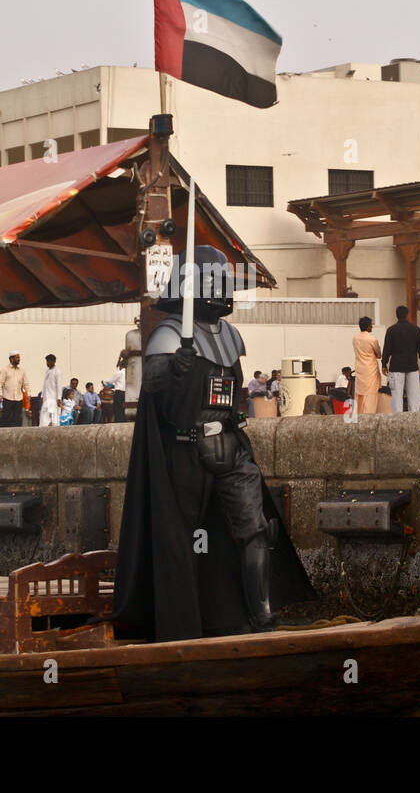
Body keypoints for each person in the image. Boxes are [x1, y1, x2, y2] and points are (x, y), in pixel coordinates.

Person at [112, 245, 314, 642]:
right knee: (183, 536)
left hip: (229, 444)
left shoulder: (230, 336)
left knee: (255, 528)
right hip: (186, 450)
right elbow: (151, 385)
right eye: (214, 282)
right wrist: (173, 368)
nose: (223, 291)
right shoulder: (169, 334)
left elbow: (233, 389)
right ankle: (184, 621)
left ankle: (260, 614)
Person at [382, 305, 420, 412]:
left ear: (396, 315)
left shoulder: (391, 330)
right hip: (412, 366)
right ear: (407, 315)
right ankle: (414, 421)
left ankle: (397, 422)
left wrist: (384, 364)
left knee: (396, 397)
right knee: (414, 396)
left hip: (396, 367)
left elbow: (387, 349)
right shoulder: (415, 329)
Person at [352, 316, 383, 414]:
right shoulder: (372, 339)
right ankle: (369, 414)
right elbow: (378, 354)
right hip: (370, 369)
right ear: (368, 326)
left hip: (360, 369)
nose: (372, 327)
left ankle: (359, 414)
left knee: (359, 394)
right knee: (371, 394)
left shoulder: (355, 338)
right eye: (371, 325)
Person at [0, 351, 29, 428]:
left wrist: (28, 393)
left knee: (17, 419)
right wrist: (0, 395)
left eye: (19, 357)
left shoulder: (22, 371)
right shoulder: (5, 370)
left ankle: (16, 437)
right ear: (11, 359)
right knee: (5, 418)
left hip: (18, 398)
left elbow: (26, 383)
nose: (19, 359)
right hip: (7, 397)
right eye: (17, 357)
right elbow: (0, 383)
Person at [39, 354, 62, 427]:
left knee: (55, 420)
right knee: (44, 421)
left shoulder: (57, 371)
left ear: (54, 361)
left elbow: (59, 385)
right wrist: (42, 396)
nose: (47, 363)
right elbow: (44, 385)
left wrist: (59, 398)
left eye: (49, 361)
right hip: (46, 399)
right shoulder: (47, 371)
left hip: (54, 399)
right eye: (47, 361)